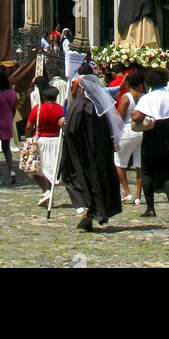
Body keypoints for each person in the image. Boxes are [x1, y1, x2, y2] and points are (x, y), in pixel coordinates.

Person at [60, 73, 123, 230]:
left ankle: (87, 211)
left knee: (76, 180)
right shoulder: (101, 106)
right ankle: (95, 211)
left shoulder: (80, 104)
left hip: (81, 153)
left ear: (82, 88)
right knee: (96, 181)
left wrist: (63, 124)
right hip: (100, 152)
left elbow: (72, 129)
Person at [131, 67, 169, 222]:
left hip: (152, 135)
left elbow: (136, 116)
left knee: (148, 171)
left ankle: (150, 208)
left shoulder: (148, 98)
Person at [24, 84, 64, 206]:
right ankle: (49, 190)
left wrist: (27, 138)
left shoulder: (38, 109)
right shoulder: (62, 110)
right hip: (56, 141)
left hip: (41, 140)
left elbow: (29, 126)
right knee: (52, 167)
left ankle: (46, 190)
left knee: (36, 167)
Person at [114, 69, 144, 204]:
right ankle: (138, 195)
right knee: (139, 164)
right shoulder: (143, 96)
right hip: (141, 131)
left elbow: (119, 118)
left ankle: (127, 192)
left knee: (119, 162)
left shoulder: (127, 97)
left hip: (128, 130)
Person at [0, 69, 18, 186]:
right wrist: (10, 118)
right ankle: (11, 170)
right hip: (7, 123)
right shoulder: (12, 93)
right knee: (7, 149)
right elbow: (14, 109)